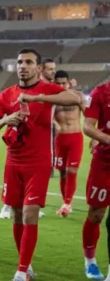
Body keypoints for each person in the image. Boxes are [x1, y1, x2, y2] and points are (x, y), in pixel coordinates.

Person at [0, 49, 83, 281]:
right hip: (13, 163)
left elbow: (74, 99)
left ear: (38, 68)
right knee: (17, 215)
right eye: (20, 62)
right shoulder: (6, 94)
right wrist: (5, 121)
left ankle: (20, 274)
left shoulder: (47, 90)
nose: (23, 66)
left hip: (38, 163)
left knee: (30, 213)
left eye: (29, 62)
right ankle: (26, 265)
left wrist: (37, 98)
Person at [81, 79, 110, 281]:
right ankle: (90, 260)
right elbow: (88, 126)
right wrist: (106, 139)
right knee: (96, 214)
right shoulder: (101, 92)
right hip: (105, 162)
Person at [52, 70, 86, 218]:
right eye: (58, 83)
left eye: (63, 83)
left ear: (68, 82)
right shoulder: (52, 98)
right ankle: (66, 202)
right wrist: (55, 123)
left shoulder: (77, 96)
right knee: (62, 172)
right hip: (60, 139)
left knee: (72, 170)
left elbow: (88, 114)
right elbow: (47, 116)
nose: (61, 86)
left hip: (75, 137)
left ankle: (67, 203)